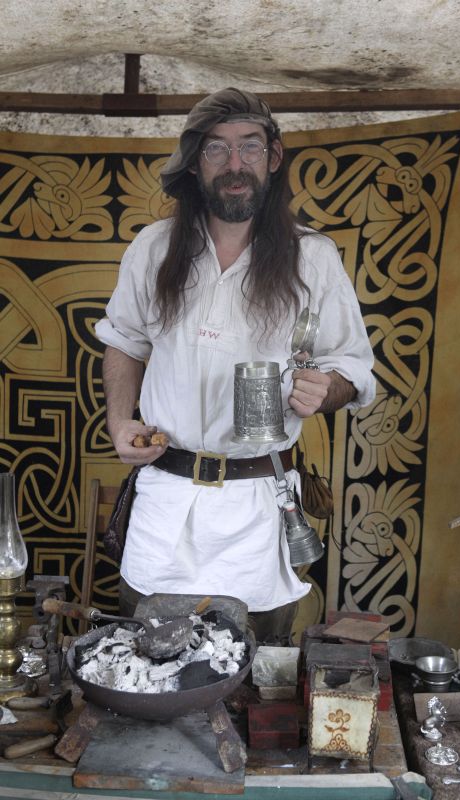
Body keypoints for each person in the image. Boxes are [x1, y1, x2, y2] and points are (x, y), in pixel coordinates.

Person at [95, 87, 376, 645]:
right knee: (145, 662)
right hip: (165, 502)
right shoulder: (153, 248)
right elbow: (124, 341)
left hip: (257, 507)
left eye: (250, 146)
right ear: (195, 162)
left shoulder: (312, 257)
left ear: (273, 158)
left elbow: (353, 368)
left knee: (255, 671)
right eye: (217, 149)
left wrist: (327, 389)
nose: (234, 164)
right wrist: (119, 420)